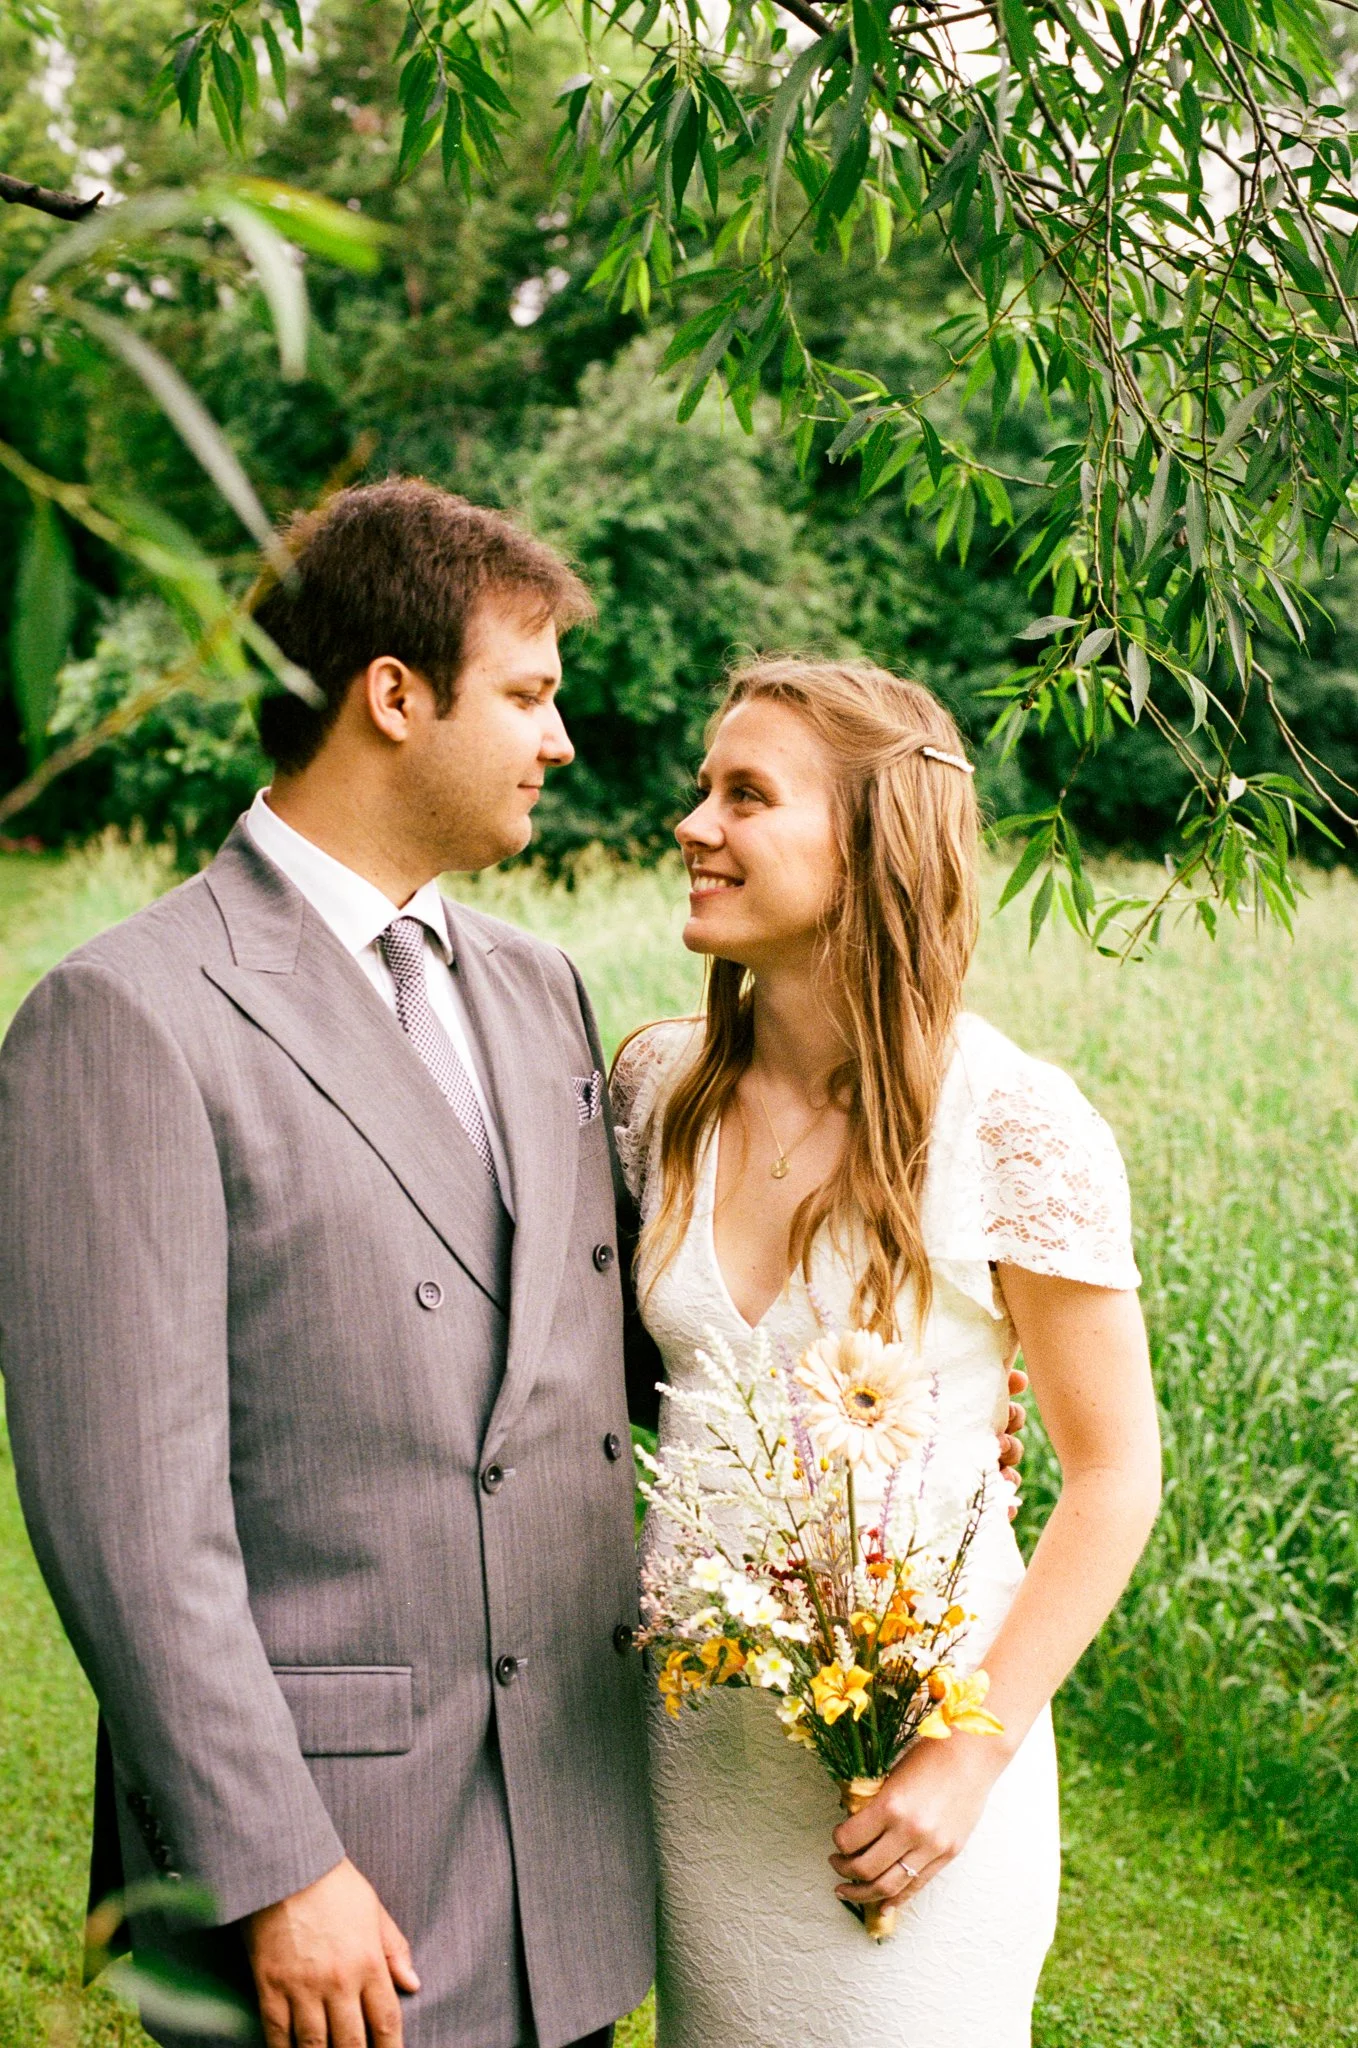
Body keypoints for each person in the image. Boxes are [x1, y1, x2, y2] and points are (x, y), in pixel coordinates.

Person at [0, 479, 655, 2048]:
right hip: (336, 1865)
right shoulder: (128, 1016)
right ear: (392, 695)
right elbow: (129, 1519)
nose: (558, 741)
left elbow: (583, 1360)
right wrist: (276, 1865)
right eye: (529, 694)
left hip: (569, 1835)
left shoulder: (538, 985)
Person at [610, 657, 1162, 2048]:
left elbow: (1111, 1478)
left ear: (868, 849)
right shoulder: (655, 1093)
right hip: (695, 1757)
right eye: (700, 787)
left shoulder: (1012, 1125)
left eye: (745, 795)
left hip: (909, 1766)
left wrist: (962, 1756)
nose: (693, 823)